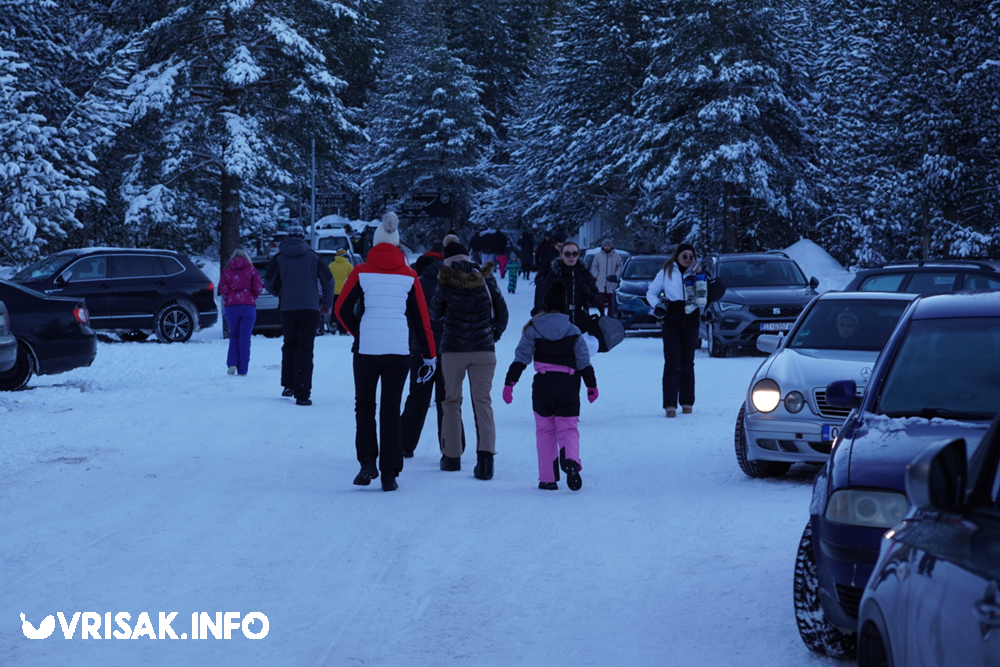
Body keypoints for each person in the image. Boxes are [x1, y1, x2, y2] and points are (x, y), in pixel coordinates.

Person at [336, 212, 436, 492]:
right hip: (398, 351)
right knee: (391, 409)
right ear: (397, 245)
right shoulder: (410, 275)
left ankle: (368, 462)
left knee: (365, 406)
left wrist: (360, 331)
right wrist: (429, 354)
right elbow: (421, 320)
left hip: (366, 351)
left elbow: (341, 309)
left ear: (375, 244)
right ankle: (390, 472)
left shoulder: (360, 272)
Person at [502, 281, 598, 491]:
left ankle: (547, 478)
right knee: (568, 427)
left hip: (543, 384)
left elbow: (521, 358)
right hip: (568, 384)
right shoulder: (573, 330)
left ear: (544, 306)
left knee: (545, 431)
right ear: (564, 307)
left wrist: (510, 383)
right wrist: (591, 386)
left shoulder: (533, 329)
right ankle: (570, 458)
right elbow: (583, 361)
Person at [431, 239, 509, 479]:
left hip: (453, 350)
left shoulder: (445, 279)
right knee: (483, 403)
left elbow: (435, 313)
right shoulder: (485, 278)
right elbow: (502, 311)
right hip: (483, 350)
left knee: (451, 402)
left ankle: (452, 458)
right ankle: (486, 462)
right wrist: (493, 333)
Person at [264, 225, 334, 406]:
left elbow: (268, 282)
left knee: (290, 345)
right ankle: (303, 393)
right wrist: (326, 304)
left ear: (288, 237)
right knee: (305, 348)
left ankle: (289, 385)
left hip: (287, 308)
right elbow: (328, 280)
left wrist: (281, 292)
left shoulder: (278, 258)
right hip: (310, 308)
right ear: (304, 237)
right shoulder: (314, 256)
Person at [399, 245, 456, 458]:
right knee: (448, 400)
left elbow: (408, 317)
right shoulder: (453, 283)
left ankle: (404, 443)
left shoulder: (418, 285)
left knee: (417, 397)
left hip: (422, 350)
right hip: (449, 350)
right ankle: (451, 449)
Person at [646, 243, 704, 418]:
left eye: (691, 256)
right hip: (672, 319)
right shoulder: (667, 272)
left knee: (688, 361)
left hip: (691, 318)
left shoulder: (698, 273)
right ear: (677, 256)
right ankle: (670, 404)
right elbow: (651, 292)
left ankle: (687, 402)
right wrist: (657, 307)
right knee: (672, 361)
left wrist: (700, 273)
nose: (688, 260)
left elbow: (708, 294)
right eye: (684, 256)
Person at [534, 241, 600, 329]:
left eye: (574, 253)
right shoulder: (555, 274)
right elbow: (542, 299)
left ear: (578, 255)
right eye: (567, 254)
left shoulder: (584, 274)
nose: (571, 257)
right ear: (561, 255)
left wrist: (588, 292)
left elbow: (598, 300)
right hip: (559, 321)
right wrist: (554, 295)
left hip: (581, 321)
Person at [219, 248, 263, 376]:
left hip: (231, 306)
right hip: (247, 306)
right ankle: (243, 369)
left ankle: (232, 363)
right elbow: (258, 287)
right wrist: (250, 297)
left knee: (234, 336)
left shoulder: (226, 271)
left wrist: (231, 297)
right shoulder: (252, 270)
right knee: (245, 338)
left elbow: (223, 289)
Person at [590, 238, 624, 318]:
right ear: (603, 246)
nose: (607, 247)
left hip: (612, 283)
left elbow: (620, 267)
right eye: (605, 245)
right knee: (601, 302)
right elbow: (594, 266)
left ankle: (611, 318)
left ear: (611, 246)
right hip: (601, 283)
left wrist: (616, 275)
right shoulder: (598, 255)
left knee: (611, 303)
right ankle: (601, 317)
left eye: (608, 245)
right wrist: (596, 275)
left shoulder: (616, 255)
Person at [327, 248, 354, 334]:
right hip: (344, 292)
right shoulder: (348, 266)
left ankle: (334, 323)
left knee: (334, 308)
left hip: (333, 291)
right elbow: (352, 278)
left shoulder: (331, 265)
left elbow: (327, 277)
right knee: (343, 310)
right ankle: (343, 330)